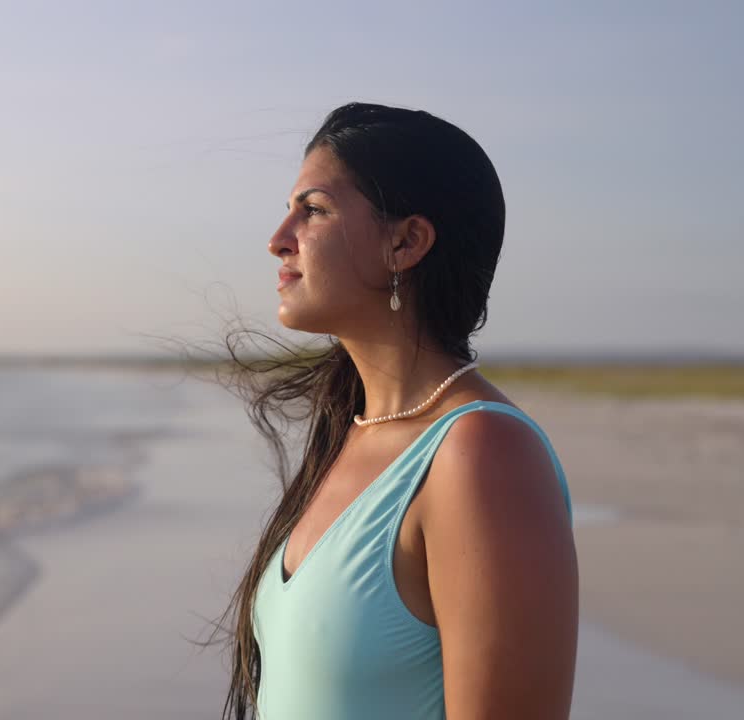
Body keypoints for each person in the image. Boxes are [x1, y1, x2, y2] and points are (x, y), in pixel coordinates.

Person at [214, 102, 579, 719]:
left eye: (314, 210)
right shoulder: (352, 433)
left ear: (406, 242)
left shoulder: (481, 453)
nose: (279, 240)